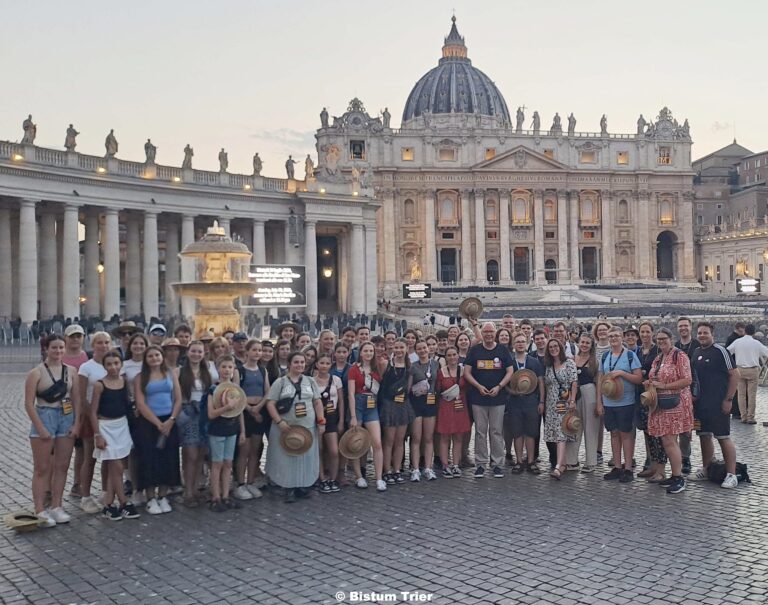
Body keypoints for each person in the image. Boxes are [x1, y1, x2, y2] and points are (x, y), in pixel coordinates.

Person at [25, 335, 81, 527]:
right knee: (42, 468)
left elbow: (76, 399)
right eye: (54, 348)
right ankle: (40, 508)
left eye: (61, 348)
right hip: (45, 415)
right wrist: (40, 427)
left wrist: (77, 423)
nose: (58, 351)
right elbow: (28, 403)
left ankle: (57, 505)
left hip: (66, 417)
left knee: (62, 466)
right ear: (46, 349)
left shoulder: (71, 371)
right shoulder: (36, 373)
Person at [264, 352, 325, 503]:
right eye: (296, 362)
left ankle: (302, 487)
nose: (299, 365)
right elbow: (270, 403)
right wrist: (279, 422)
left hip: (307, 427)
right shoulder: (280, 382)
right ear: (290, 364)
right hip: (286, 427)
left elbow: (317, 402)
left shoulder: (310, 381)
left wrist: (321, 421)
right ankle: (288, 488)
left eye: (302, 362)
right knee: (287, 457)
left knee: (305, 457)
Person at [89, 351, 139, 521]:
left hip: (122, 426)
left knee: (116, 469)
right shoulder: (99, 385)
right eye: (109, 364)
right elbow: (93, 412)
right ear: (104, 366)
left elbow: (127, 403)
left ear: (121, 364)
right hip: (105, 427)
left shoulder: (124, 382)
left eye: (116, 363)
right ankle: (124, 502)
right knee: (116, 467)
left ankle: (109, 504)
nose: (113, 367)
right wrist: (97, 435)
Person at [690, 322, 740, 489]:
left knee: (723, 437)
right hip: (701, 404)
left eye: (705, 333)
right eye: (700, 333)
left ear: (712, 334)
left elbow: (735, 374)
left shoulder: (721, 351)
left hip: (719, 403)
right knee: (704, 436)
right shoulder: (696, 352)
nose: (702, 335)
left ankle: (731, 474)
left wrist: (729, 399)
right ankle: (707, 468)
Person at [133, 345, 182, 515]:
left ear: (162, 357)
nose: (154, 358)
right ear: (146, 359)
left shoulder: (170, 374)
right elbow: (140, 403)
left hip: (169, 419)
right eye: (150, 356)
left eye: (157, 355)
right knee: (149, 458)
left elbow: (178, 398)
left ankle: (163, 495)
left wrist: (171, 420)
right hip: (149, 423)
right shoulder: (140, 378)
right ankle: (150, 497)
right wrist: (157, 424)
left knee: (168, 457)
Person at [463, 322, 515, 479]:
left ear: (495, 333)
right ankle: (480, 464)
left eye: (491, 332)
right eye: (485, 332)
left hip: (498, 398)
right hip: (478, 398)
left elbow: (510, 371)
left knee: (496, 431)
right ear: (482, 334)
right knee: (480, 432)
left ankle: (497, 463)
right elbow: (467, 372)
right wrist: (478, 386)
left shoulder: (502, 350)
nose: (488, 335)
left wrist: (500, 386)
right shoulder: (475, 350)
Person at [646, 328, 693, 494]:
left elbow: (687, 379)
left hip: (676, 403)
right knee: (666, 441)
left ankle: (679, 477)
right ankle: (674, 475)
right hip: (662, 404)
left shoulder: (679, 356)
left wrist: (665, 386)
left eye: (663, 339)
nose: (660, 342)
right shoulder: (659, 358)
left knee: (670, 441)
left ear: (671, 339)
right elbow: (655, 378)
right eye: (658, 340)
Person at [598, 326, 642, 483]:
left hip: (626, 402)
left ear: (621, 337)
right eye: (611, 336)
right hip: (609, 402)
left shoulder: (630, 356)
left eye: (616, 335)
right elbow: (600, 381)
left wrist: (622, 373)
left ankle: (628, 467)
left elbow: (639, 379)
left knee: (626, 434)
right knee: (614, 434)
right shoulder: (604, 356)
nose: (613, 338)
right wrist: (599, 402)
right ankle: (617, 466)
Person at [205, 355, 246, 512]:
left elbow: (240, 410)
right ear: (218, 368)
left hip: (232, 429)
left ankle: (225, 494)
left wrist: (242, 431)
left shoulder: (236, 389)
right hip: (217, 430)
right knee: (217, 463)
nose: (227, 370)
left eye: (230, 367)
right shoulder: (213, 389)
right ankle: (215, 496)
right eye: (224, 367)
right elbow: (211, 414)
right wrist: (226, 408)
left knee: (228, 463)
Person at [77, 331, 111, 514]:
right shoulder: (86, 367)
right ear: (93, 345)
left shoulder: (113, 364)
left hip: (109, 416)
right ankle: (85, 496)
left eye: (106, 342)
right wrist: (90, 416)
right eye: (100, 342)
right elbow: (82, 397)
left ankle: (105, 492)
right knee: (89, 458)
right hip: (91, 416)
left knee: (107, 457)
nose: (104, 346)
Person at [176, 341, 213, 507]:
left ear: (203, 354)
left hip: (203, 414)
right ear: (188, 352)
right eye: (194, 351)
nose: (196, 354)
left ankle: (196, 488)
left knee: (200, 454)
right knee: (190, 454)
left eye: (200, 352)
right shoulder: (179, 372)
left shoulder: (207, 373)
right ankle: (188, 491)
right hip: (189, 414)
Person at [347, 342, 386, 491]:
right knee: (356, 443)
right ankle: (359, 476)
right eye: (366, 350)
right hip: (357, 405)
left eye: (371, 350)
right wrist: (353, 416)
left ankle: (379, 478)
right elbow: (350, 393)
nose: (369, 353)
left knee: (377, 442)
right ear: (360, 353)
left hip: (372, 407)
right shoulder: (354, 369)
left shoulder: (377, 368)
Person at [235, 339, 270, 499]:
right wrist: (249, 409)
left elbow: (267, 392)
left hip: (259, 411)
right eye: (254, 350)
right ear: (247, 351)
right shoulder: (239, 370)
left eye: (259, 350)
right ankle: (241, 483)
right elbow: (236, 393)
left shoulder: (263, 370)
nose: (257, 353)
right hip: (245, 411)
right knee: (245, 450)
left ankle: (250, 481)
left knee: (255, 449)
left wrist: (259, 407)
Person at [506, 332, 545, 474]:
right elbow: (505, 381)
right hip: (515, 401)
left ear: (527, 343)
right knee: (517, 433)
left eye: (523, 341)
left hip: (531, 401)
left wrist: (541, 401)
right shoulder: (509, 361)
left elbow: (540, 381)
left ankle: (530, 461)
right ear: (514, 345)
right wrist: (511, 392)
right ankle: (519, 461)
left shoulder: (534, 361)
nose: (520, 344)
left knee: (530, 432)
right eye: (518, 342)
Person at [634, 322, 666, 482]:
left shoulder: (658, 351)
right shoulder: (637, 351)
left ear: (652, 333)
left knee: (658, 434)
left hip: (655, 396)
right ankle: (652, 465)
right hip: (642, 396)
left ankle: (661, 469)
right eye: (642, 332)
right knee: (648, 432)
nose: (645, 334)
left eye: (647, 331)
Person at [379, 339, 413, 484]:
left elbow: (409, 388)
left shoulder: (409, 367)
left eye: (402, 348)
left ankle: (397, 469)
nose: (399, 350)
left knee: (400, 440)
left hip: (403, 405)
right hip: (389, 404)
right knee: (389, 440)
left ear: (406, 349)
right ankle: (387, 470)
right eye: (396, 347)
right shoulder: (385, 364)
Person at [543, 339, 578, 479]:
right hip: (551, 403)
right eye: (550, 347)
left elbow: (574, 382)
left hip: (564, 402)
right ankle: (562, 463)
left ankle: (558, 466)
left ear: (561, 347)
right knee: (555, 434)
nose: (553, 349)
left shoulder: (569, 363)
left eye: (555, 346)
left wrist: (573, 399)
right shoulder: (548, 365)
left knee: (561, 433)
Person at [567, 332, 600, 473]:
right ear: (578, 343)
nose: (584, 345)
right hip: (575, 394)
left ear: (591, 345)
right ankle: (571, 460)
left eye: (587, 343)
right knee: (573, 426)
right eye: (583, 342)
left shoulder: (595, 361)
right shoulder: (573, 359)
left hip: (590, 392)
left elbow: (599, 382)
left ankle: (591, 461)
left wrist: (599, 402)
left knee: (590, 428)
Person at [435, 346, 470, 477]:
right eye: (449, 355)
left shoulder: (463, 371)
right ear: (446, 357)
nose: (452, 357)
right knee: (444, 437)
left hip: (460, 406)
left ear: (457, 355)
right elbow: (437, 389)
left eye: (454, 354)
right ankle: (445, 465)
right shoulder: (441, 372)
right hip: (446, 407)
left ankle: (455, 465)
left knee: (458, 437)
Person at [408, 340, 440, 482]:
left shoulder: (436, 364)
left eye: (424, 348)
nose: (422, 351)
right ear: (416, 351)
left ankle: (428, 467)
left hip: (431, 403)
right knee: (416, 438)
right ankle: (415, 469)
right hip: (416, 403)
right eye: (419, 349)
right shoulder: (412, 366)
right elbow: (408, 388)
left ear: (429, 349)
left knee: (428, 438)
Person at [313, 353, 344, 493]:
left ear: (330, 365)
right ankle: (322, 479)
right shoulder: (311, 381)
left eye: (327, 363)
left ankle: (333, 478)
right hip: (316, 418)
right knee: (318, 449)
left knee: (334, 451)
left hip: (332, 417)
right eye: (322, 363)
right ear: (317, 364)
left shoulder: (336, 380)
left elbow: (342, 401)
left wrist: (341, 420)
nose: (324, 366)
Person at [727, 323, 768, 424]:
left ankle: (743, 416)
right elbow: (766, 352)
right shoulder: (756, 343)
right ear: (754, 332)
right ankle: (751, 417)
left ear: (745, 331)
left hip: (740, 369)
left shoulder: (737, 342)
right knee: (751, 395)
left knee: (741, 395)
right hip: (753, 370)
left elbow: (727, 351)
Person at [675, 317, 699, 473]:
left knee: (689, 429)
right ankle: (677, 458)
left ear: (691, 327)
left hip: (693, 391)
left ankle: (686, 457)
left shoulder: (697, 345)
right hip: (676, 392)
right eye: (680, 326)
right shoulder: (675, 346)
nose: (683, 328)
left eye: (685, 326)